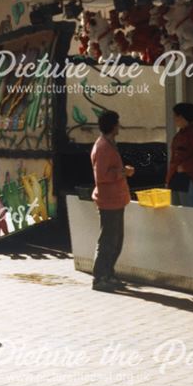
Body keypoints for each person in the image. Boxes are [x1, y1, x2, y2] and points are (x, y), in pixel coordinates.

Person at [90, 111, 133, 292]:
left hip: (115, 199)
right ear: (113, 126)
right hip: (109, 200)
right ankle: (100, 277)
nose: (119, 126)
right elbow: (102, 176)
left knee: (115, 240)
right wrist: (124, 173)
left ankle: (108, 274)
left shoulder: (107, 144)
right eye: (117, 123)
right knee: (108, 240)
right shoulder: (103, 147)